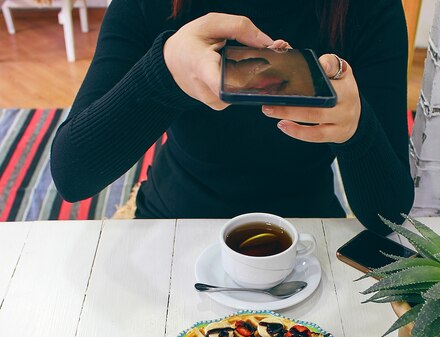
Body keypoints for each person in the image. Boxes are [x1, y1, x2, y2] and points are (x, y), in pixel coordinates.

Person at [50, 0, 414, 233]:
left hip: (305, 232)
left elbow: (389, 214)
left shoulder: (367, 9)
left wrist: (356, 129)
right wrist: (165, 69)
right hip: (171, 224)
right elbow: (72, 174)